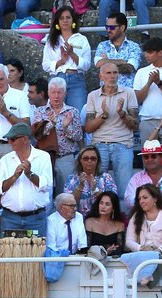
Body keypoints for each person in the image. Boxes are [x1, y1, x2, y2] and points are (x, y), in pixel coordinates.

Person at [85, 61, 139, 200]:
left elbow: (135, 125)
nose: (112, 76)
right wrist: (103, 115)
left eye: (115, 73)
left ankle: (124, 220)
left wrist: (122, 114)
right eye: (108, 73)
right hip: (100, 144)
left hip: (123, 144)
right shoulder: (93, 95)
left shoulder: (128, 93)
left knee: (125, 191)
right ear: (101, 76)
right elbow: (88, 128)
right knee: (96, 189)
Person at [0, 122, 52, 237]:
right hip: (10, 218)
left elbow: (47, 185)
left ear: (25, 139)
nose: (10, 142)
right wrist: (14, 177)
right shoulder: (5, 159)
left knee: (36, 254)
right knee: (8, 253)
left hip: (35, 218)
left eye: (13, 139)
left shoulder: (43, 157)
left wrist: (29, 174)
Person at [33, 77, 83, 193]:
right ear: (48, 93)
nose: (56, 96)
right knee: (45, 192)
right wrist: (51, 123)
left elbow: (79, 136)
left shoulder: (73, 111)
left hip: (66, 158)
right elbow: (37, 134)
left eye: (59, 92)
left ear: (65, 94)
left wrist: (66, 127)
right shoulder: (40, 111)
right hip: (46, 157)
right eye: (53, 92)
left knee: (66, 193)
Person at [122, 183, 162, 286]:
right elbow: (129, 241)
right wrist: (141, 248)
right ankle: (142, 276)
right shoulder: (136, 216)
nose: (141, 201)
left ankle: (145, 276)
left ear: (155, 199)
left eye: (145, 197)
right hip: (143, 253)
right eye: (139, 199)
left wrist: (158, 250)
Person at [40, 6, 90, 113]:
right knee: (55, 115)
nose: (65, 20)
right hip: (57, 79)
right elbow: (45, 64)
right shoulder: (51, 40)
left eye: (68, 17)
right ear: (58, 21)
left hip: (76, 80)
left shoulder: (82, 39)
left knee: (78, 114)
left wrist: (72, 54)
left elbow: (87, 65)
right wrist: (61, 62)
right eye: (62, 18)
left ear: (73, 20)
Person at [132, 37, 162, 150]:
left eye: (149, 52)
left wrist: (159, 83)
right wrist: (149, 83)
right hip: (147, 121)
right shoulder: (141, 72)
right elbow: (137, 99)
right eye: (145, 52)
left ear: (160, 52)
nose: (146, 55)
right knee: (148, 159)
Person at [123, 140, 162, 212]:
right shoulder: (136, 178)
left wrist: (152, 198)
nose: (149, 159)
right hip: (142, 219)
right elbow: (128, 201)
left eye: (153, 156)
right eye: (146, 157)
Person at [93, 12, 140, 92]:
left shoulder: (134, 47)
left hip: (127, 93)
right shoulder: (102, 45)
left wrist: (106, 65)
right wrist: (121, 61)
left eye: (111, 27)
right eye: (107, 27)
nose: (108, 30)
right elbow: (98, 65)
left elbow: (130, 68)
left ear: (122, 28)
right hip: (106, 93)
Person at [65, 145, 118, 215]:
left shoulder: (106, 177)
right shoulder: (72, 178)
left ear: (97, 161)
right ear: (80, 160)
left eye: (93, 158)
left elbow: (112, 201)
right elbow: (69, 203)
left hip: (101, 219)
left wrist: (95, 190)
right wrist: (80, 186)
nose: (89, 161)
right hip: (78, 220)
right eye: (85, 158)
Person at [46, 192, 87, 256]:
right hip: (58, 258)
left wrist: (81, 256)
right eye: (71, 206)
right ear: (61, 207)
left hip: (77, 258)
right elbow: (52, 247)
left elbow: (82, 243)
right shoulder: (51, 220)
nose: (75, 209)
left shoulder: (78, 217)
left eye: (75, 205)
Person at [86, 190, 126, 255]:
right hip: (93, 261)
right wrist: (105, 251)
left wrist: (112, 251)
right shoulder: (89, 222)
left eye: (107, 204)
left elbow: (120, 249)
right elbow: (86, 248)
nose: (103, 206)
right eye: (101, 203)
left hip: (113, 261)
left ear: (113, 208)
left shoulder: (120, 225)